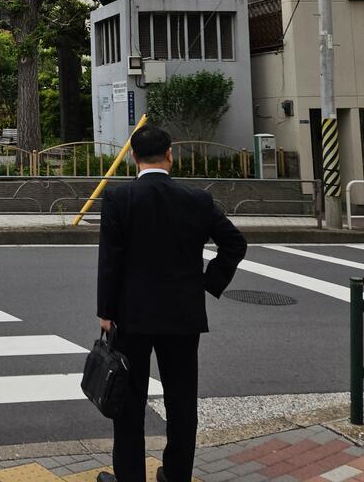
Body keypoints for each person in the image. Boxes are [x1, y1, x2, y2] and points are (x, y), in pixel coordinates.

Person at [95, 124, 247, 482]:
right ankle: (177, 474)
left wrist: (106, 311)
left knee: (129, 403)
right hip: (182, 315)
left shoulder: (119, 199)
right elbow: (235, 244)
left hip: (131, 316)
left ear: (133, 157)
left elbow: (110, 259)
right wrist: (206, 284)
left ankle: (130, 476)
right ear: (170, 156)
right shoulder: (197, 200)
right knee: (181, 402)